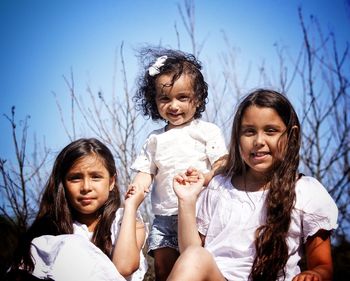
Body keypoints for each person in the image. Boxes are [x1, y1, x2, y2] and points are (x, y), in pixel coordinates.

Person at [169, 89, 338, 281]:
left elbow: (323, 265)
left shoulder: (305, 190)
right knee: (194, 256)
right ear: (237, 137)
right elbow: (191, 253)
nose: (258, 141)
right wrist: (187, 201)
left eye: (270, 131)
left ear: (291, 136)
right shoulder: (219, 186)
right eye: (249, 132)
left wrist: (313, 274)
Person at [130, 47, 228, 281]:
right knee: (164, 269)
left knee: (192, 263)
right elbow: (146, 171)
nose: (174, 106)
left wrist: (204, 178)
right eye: (165, 98)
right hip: (163, 216)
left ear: (198, 99)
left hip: (198, 212)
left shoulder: (206, 131)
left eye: (182, 97)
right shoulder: (155, 138)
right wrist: (136, 190)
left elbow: (222, 163)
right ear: (154, 101)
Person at [7, 138, 147, 281]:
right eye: (75, 178)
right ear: (62, 184)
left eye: (96, 177)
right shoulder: (48, 232)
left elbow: (124, 268)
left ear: (111, 182)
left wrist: (130, 206)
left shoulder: (125, 223)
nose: (86, 187)